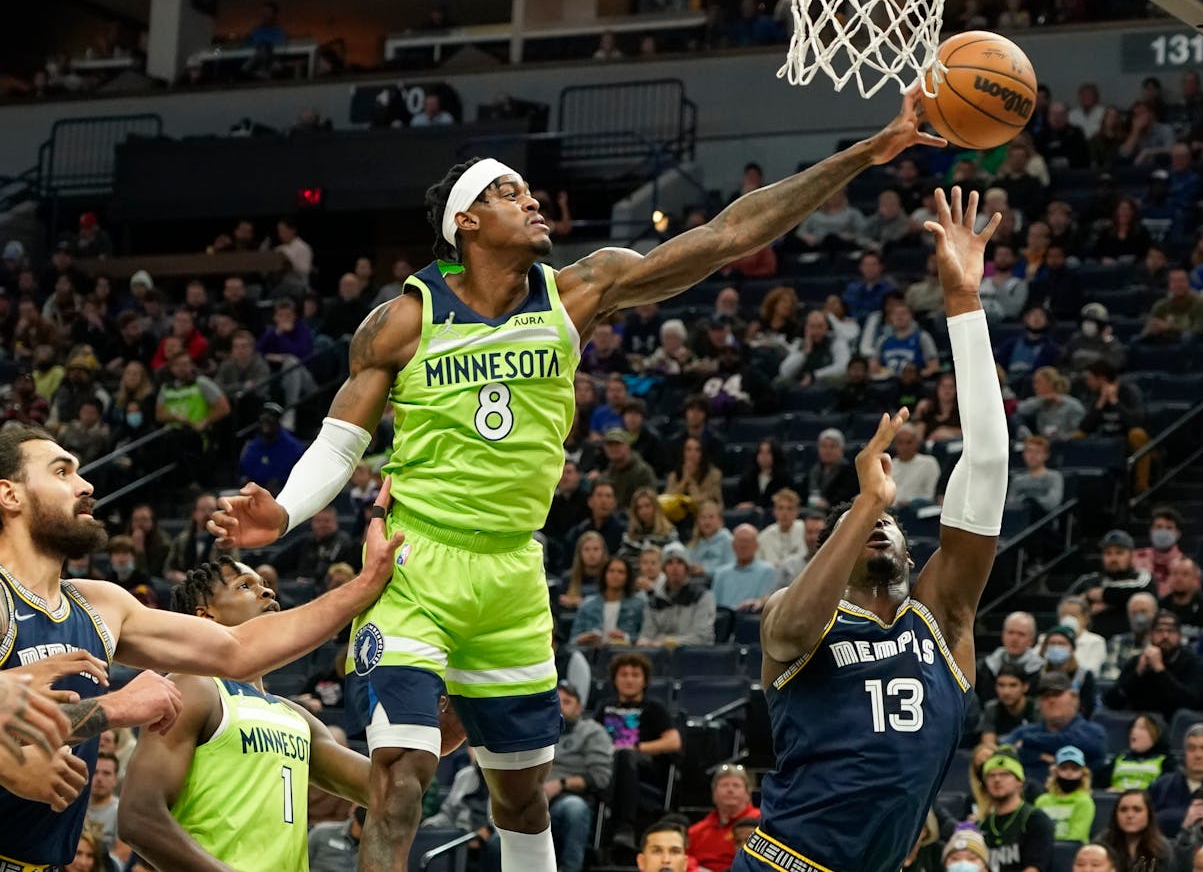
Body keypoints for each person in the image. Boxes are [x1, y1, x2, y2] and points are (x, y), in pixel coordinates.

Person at [208, 98, 940, 872]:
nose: (531, 200)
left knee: (521, 797)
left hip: (514, 574)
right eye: (508, 191)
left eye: (528, 190)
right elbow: (340, 440)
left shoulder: (579, 291)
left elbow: (729, 234)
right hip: (415, 565)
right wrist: (284, 510)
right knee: (400, 782)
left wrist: (865, 152)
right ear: (468, 222)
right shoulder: (402, 321)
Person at [732, 186, 1009, 872]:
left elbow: (990, 458)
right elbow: (793, 625)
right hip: (783, 863)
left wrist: (963, 302)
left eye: (889, 519)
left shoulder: (941, 619)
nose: (880, 524)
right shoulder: (796, 623)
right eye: (866, 524)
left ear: (915, 550)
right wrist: (864, 503)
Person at [0, 426, 401, 870]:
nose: (85, 484)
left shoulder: (100, 604)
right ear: (9, 495)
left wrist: (366, 585)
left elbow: (236, 648)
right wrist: (113, 709)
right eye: (61, 472)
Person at [117, 557, 389, 871]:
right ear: (206, 616)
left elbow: (386, 790)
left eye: (265, 585)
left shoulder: (295, 716)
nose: (268, 593)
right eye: (245, 586)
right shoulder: (194, 688)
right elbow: (138, 817)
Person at [599, 653, 682, 849]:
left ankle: (626, 827)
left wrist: (635, 748)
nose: (629, 679)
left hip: (643, 766)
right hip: (607, 763)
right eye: (624, 674)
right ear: (615, 679)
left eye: (635, 675)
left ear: (644, 681)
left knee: (625, 756)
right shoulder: (604, 707)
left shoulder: (654, 707)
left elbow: (673, 741)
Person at [542, 680, 614, 872]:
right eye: (554, 700)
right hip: (529, 802)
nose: (559, 705)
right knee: (496, 840)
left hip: (567, 800)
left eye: (567, 701)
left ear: (579, 708)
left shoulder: (592, 732)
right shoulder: (534, 732)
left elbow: (600, 777)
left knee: (574, 808)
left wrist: (561, 784)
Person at [1003, 672, 1107, 785]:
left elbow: (1078, 743)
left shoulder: (1093, 732)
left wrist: (1028, 742)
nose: (1051, 700)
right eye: (1045, 696)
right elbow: (1004, 755)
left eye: (1057, 694)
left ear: (1074, 698)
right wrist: (1039, 756)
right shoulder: (1022, 732)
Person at [1107, 610, 1203, 721]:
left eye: (1171, 631)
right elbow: (1112, 702)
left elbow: (1193, 703)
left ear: (1180, 636)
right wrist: (1137, 673)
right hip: (1141, 725)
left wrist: (1160, 670)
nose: (1165, 636)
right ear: (1150, 635)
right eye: (1159, 631)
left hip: (1177, 726)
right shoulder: (1137, 662)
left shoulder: (1194, 663)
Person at [979, 751, 1056, 872]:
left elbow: (1035, 868)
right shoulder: (983, 825)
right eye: (991, 775)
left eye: (1005, 774)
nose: (997, 779)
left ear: (1019, 781)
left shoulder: (1036, 819)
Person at [638, 547, 716, 647]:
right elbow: (647, 634)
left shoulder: (703, 596)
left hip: (694, 654)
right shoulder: (655, 599)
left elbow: (703, 637)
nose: (675, 567)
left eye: (680, 562)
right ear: (664, 569)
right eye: (670, 563)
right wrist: (643, 641)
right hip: (660, 654)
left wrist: (668, 642)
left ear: (687, 569)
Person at [688, 763, 760, 871]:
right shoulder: (697, 830)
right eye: (724, 785)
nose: (730, 790)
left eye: (736, 785)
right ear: (714, 794)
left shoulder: (762, 821)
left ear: (747, 794)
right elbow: (682, 856)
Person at [569, 555, 644, 647]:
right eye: (611, 571)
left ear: (628, 577)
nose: (615, 575)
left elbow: (644, 638)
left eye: (621, 572)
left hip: (625, 655)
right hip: (592, 655)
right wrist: (581, 639)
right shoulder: (587, 605)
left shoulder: (638, 605)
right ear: (604, 575)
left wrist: (625, 638)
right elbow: (572, 641)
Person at [1096, 790, 1174, 872]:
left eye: (1137, 810)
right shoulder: (1101, 844)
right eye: (1123, 810)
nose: (1130, 815)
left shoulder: (1162, 849)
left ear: (1149, 814)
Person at [1034, 745, 1095, 843]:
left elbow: (1076, 837)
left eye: (1075, 769)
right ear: (1055, 772)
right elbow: (1036, 834)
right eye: (1064, 768)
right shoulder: (1042, 801)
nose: (1069, 773)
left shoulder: (1085, 802)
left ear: (1082, 773)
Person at [711, 525, 778, 611]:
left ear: (756, 545)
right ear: (733, 546)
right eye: (740, 541)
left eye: (747, 541)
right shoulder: (720, 573)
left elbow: (765, 603)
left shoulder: (768, 571)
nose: (743, 545)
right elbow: (713, 607)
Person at [978, 662, 1039, 750]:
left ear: (1025, 687)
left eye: (1013, 685)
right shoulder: (992, 708)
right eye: (1001, 685)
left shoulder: (1037, 709)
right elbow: (988, 744)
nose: (1006, 692)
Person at [1110, 714, 1171, 792]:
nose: (1133, 731)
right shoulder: (1119, 759)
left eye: (1142, 728)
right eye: (1133, 727)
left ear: (1157, 734)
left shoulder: (1166, 762)